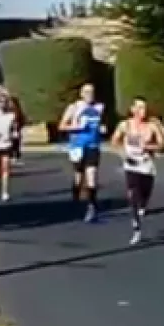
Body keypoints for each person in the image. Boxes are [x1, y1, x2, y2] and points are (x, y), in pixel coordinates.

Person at [111, 97, 164, 245]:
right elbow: (115, 141)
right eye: (140, 108)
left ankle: (142, 206)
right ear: (133, 109)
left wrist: (149, 147)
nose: (143, 111)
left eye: (145, 108)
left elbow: (162, 145)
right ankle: (136, 227)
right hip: (131, 164)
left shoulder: (152, 126)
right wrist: (123, 154)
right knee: (133, 193)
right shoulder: (125, 125)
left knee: (145, 194)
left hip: (146, 165)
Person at [59, 83, 106, 222]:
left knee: (92, 175)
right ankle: (75, 200)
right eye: (86, 92)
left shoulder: (99, 108)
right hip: (77, 146)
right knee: (79, 175)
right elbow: (61, 126)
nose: (89, 95)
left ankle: (92, 206)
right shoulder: (74, 108)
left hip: (93, 146)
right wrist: (76, 127)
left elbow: (100, 124)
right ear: (81, 94)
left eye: (91, 92)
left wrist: (102, 129)